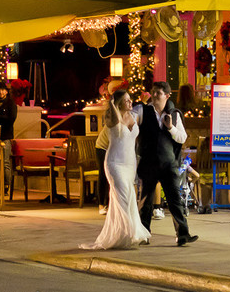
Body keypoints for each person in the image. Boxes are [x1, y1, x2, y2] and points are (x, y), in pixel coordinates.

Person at [81, 88, 149, 250]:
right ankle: (126, 234)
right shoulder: (112, 118)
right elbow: (112, 113)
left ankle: (128, 234)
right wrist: (111, 103)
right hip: (115, 163)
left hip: (129, 163)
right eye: (126, 100)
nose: (130, 102)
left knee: (130, 198)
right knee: (122, 197)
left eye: (130, 99)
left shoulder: (134, 116)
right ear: (118, 103)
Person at [134, 81, 197, 246]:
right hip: (148, 164)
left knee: (175, 200)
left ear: (167, 96)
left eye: (158, 93)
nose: (154, 96)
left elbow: (182, 138)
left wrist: (170, 128)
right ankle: (143, 235)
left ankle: (183, 234)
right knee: (145, 202)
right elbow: (130, 121)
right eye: (153, 92)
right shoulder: (142, 110)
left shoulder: (174, 115)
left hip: (168, 165)